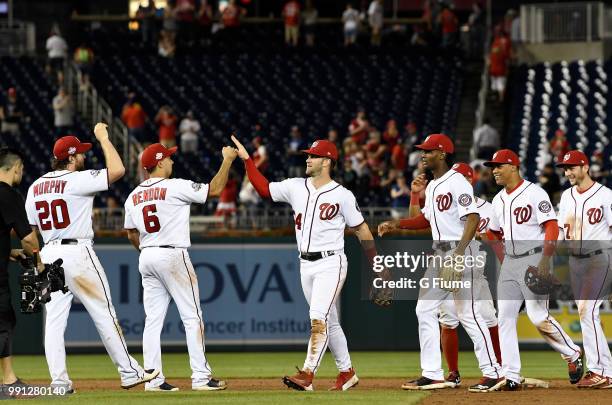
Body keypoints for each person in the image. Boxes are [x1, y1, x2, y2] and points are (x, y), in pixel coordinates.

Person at [231, 135, 381, 391]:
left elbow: (362, 230)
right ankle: (347, 372)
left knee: (317, 317)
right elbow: (265, 189)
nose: (308, 159)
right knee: (329, 320)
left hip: (330, 263)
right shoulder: (295, 186)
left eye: (312, 156)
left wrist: (378, 266)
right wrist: (247, 160)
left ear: (327, 161)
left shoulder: (342, 195)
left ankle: (308, 374)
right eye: (308, 155)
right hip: (305, 264)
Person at [25, 125, 159, 391]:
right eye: (81, 154)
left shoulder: (36, 187)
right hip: (77, 253)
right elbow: (118, 170)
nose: (84, 157)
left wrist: (37, 262)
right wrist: (104, 139)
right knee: (104, 312)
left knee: (53, 322)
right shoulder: (77, 179)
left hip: (49, 250)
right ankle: (129, 372)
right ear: (71, 158)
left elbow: (30, 232)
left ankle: (59, 382)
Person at [378, 134, 503, 392]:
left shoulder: (457, 182)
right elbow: (425, 220)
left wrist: (458, 255)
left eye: (428, 151)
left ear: (443, 154)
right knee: (424, 309)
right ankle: (433, 374)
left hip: (459, 253)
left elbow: (471, 219)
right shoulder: (434, 185)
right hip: (439, 253)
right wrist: (397, 223)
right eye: (422, 151)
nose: (423, 155)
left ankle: (493, 372)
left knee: (468, 314)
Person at [124, 143, 236, 391]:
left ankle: (152, 380)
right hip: (172, 255)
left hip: (147, 255)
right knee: (192, 316)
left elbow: (132, 234)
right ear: (160, 162)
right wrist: (227, 159)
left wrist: (147, 251)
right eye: (170, 159)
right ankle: (201, 377)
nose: (173, 162)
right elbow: (215, 189)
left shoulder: (133, 196)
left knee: (152, 321)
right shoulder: (174, 186)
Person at [483, 149, 583, 390]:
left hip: (535, 258)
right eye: (492, 167)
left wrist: (545, 261)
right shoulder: (497, 199)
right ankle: (511, 375)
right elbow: (493, 232)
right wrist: (503, 258)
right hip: (511, 262)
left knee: (538, 317)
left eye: (498, 166)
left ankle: (572, 353)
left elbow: (551, 227)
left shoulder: (534, 193)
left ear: (513, 167)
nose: (494, 170)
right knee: (504, 318)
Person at [437, 163, 502, 388]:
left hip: (476, 271)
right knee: (447, 321)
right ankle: (453, 373)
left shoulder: (489, 208)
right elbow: (423, 221)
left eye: (462, 177)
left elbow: (499, 236)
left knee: (488, 318)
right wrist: (415, 197)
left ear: (470, 181)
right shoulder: (444, 203)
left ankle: (498, 369)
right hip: (451, 265)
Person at [555, 150, 612, 389]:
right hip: (575, 261)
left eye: (572, 167)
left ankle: (602, 372)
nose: (568, 172)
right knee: (586, 313)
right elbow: (561, 231)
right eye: (565, 168)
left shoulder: (606, 195)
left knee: (587, 311)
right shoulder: (567, 196)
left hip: (599, 259)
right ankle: (602, 370)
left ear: (585, 167)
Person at [0, 148, 44, 390]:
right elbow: (28, 238)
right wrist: (37, 260)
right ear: (15, 168)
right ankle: (8, 381)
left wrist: (8, 251)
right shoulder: (8, 194)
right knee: (4, 322)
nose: (22, 173)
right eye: (22, 169)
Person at [489, 27, 511, 103]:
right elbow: (506, 57)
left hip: (496, 68)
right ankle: (499, 99)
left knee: (497, 85)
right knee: (499, 85)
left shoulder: (497, 42)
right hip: (498, 69)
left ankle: (497, 99)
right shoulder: (498, 43)